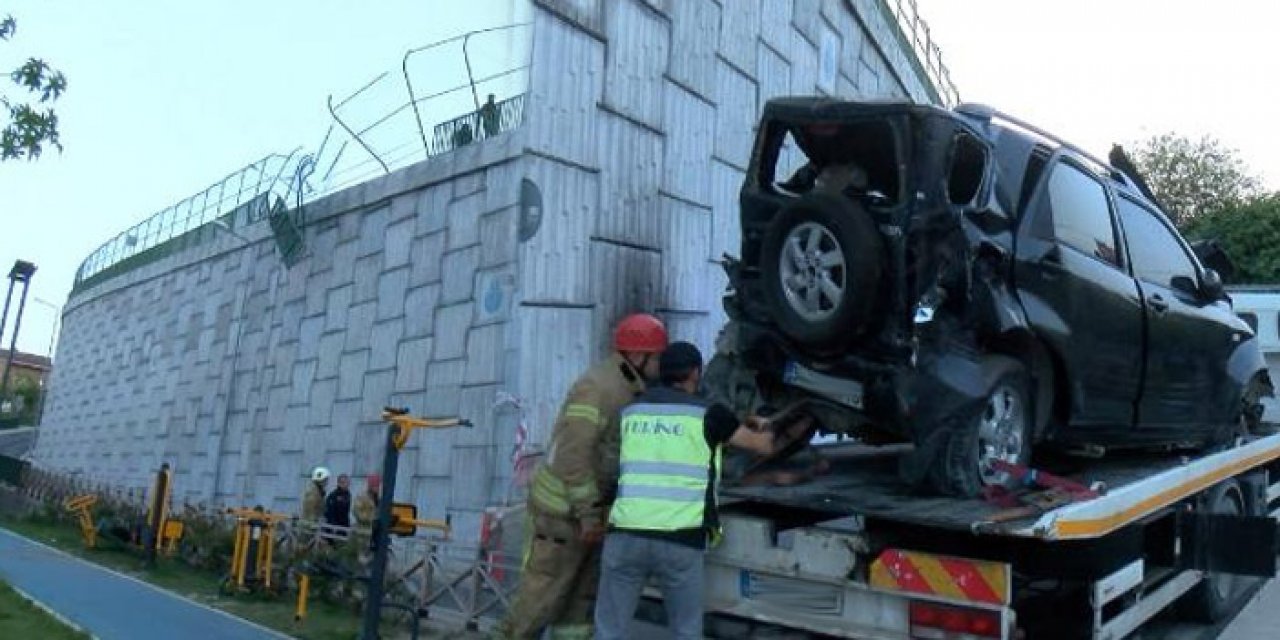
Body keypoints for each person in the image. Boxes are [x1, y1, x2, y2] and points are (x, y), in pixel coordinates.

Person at [493, 313, 669, 640]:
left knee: (577, 610)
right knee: (539, 601)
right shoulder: (599, 388)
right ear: (637, 355)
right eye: (657, 357)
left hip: (586, 516)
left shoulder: (627, 387)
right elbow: (573, 454)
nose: (660, 365)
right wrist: (588, 513)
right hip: (563, 515)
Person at [594, 341, 779, 640]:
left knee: (609, 631)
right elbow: (763, 447)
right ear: (695, 373)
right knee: (686, 631)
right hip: (679, 541)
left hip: (625, 535)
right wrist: (765, 423)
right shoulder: (710, 414)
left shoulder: (631, 410)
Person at [324, 473, 353, 540]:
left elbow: (346, 512)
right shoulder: (333, 496)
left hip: (344, 525)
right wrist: (333, 527)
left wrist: (348, 525)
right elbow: (330, 513)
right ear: (339, 483)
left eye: (347, 482)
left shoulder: (348, 495)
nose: (345, 484)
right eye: (343, 482)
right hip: (333, 527)